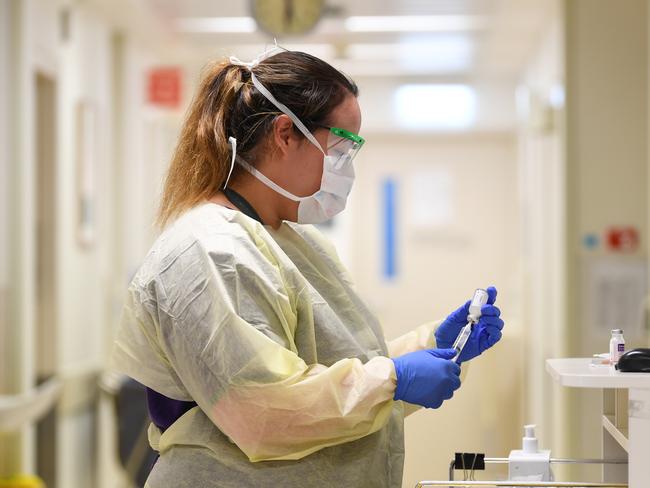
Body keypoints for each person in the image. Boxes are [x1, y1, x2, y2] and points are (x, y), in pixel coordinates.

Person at [110, 46, 504, 488]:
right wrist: (395, 378)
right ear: (285, 134)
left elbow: (335, 371)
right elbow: (266, 410)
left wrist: (432, 346)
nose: (346, 167)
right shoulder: (213, 251)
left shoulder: (287, 241)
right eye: (341, 147)